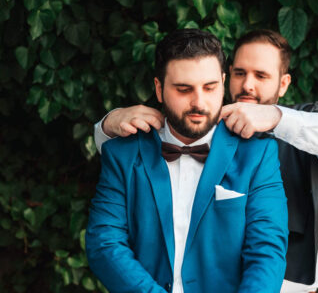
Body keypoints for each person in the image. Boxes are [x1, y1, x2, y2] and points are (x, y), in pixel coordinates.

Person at [94, 29, 318, 293]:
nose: (248, 84)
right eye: (240, 73)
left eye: (261, 75)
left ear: (284, 83)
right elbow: (106, 239)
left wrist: (277, 118)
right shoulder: (130, 148)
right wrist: (105, 126)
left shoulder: (275, 143)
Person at [86, 29, 289, 293]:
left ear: (223, 82)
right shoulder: (122, 153)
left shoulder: (258, 154)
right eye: (184, 89)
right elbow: (105, 244)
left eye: (210, 87)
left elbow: (267, 252)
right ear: (159, 89)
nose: (199, 103)